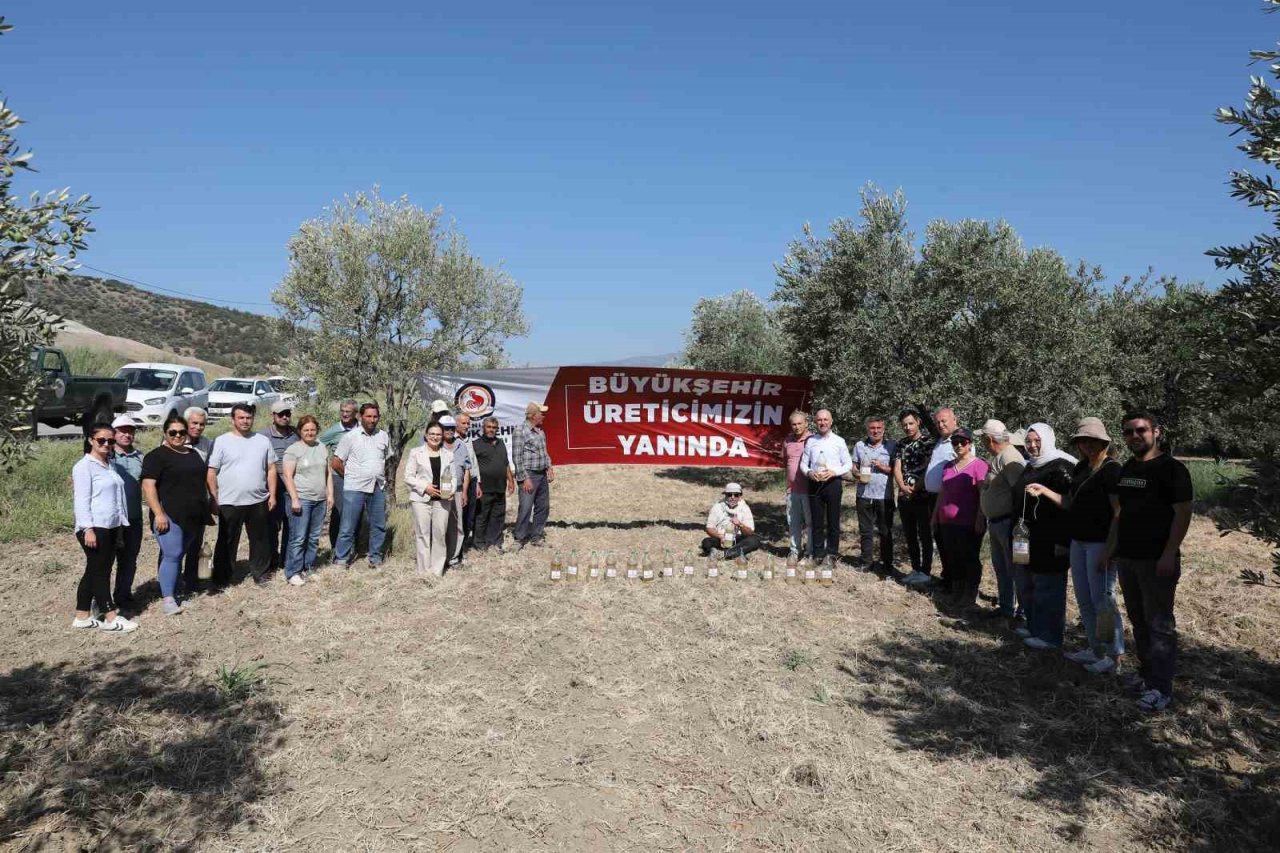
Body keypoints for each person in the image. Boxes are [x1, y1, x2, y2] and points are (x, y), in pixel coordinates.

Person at [1103, 410, 1192, 713]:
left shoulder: (1172, 469)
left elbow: (1183, 514)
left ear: (1157, 431)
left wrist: (1169, 553)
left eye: (1140, 430)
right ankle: (1147, 675)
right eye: (1128, 432)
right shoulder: (1128, 468)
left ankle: (1161, 688)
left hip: (1157, 560)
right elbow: (1121, 514)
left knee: (1160, 625)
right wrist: (1111, 548)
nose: (1134, 437)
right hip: (1128, 557)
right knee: (1139, 622)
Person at [1025, 417, 1124, 674]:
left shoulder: (1112, 470)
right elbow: (1069, 502)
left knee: (1103, 602)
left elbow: (1118, 513)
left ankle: (1114, 658)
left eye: (1093, 441)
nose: (1088, 446)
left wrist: (1109, 549)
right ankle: (1095, 649)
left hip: (1099, 544)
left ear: (1103, 442)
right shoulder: (1081, 468)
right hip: (1078, 543)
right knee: (1085, 600)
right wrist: (1044, 491)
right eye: (1083, 441)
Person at [1013, 422, 1077, 650]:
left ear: (1047, 440)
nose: (1032, 446)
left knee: (1047, 587)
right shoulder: (1030, 465)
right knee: (1026, 583)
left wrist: (1063, 541)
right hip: (1026, 536)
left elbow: (1071, 505)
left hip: (1051, 537)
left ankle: (1050, 636)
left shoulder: (1062, 466)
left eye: (1037, 441)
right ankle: (1034, 627)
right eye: (1029, 441)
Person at [71, 423, 139, 632]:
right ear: (91, 440)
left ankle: (82, 616)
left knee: (94, 570)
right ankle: (111, 616)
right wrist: (88, 528)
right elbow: (81, 500)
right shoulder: (84, 467)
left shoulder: (109, 464)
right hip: (94, 527)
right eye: (102, 440)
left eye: (110, 440)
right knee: (101, 572)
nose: (106, 444)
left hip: (111, 525)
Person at [141, 414, 209, 615]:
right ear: (165, 433)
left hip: (193, 515)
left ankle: (175, 592)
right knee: (172, 554)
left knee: (180, 554)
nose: (178, 435)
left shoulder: (192, 454)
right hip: (169, 515)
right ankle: (168, 600)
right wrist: (159, 514)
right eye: (173, 432)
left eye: (182, 432)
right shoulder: (156, 456)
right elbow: (148, 486)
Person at [207, 403, 276, 587]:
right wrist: (214, 498)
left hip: (258, 499)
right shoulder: (221, 441)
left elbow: (271, 469)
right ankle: (222, 578)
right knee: (226, 540)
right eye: (241, 418)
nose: (245, 421)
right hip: (230, 501)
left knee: (260, 540)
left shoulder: (262, 441)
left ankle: (260, 574)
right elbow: (211, 472)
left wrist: (273, 495)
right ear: (233, 419)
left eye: (248, 417)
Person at [976, 419, 1026, 619]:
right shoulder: (998, 457)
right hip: (997, 522)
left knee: (1015, 569)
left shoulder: (1010, 458)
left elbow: (1019, 492)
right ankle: (1006, 608)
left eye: (982, 439)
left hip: (1008, 523)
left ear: (989, 439)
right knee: (1002, 568)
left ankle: (1022, 611)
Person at [332, 402, 393, 568]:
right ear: (360, 416)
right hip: (355, 488)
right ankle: (341, 559)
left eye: (375, 416)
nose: (372, 420)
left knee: (379, 525)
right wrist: (351, 476)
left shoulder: (383, 436)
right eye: (368, 416)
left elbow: (387, 459)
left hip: (377, 486)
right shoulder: (350, 437)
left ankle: (375, 557)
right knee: (348, 526)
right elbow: (336, 462)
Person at [931, 428, 989, 603]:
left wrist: (980, 518)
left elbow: (982, 494)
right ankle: (956, 591)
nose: (958, 445)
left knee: (969, 557)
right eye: (955, 442)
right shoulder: (949, 466)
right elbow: (942, 493)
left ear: (970, 444)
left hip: (968, 522)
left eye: (962, 442)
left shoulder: (979, 465)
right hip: (946, 521)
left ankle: (969, 594)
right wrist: (935, 515)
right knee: (952, 557)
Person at [282, 415, 333, 585]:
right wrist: (295, 498)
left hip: (320, 500)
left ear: (316, 430)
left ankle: (308, 568)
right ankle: (293, 572)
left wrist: (330, 495)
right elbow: (288, 476)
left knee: (313, 537)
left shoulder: (322, 448)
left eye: (312, 430)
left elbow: (328, 474)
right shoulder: (293, 450)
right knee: (298, 537)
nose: (310, 433)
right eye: (306, 430)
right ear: (299, 431)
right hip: (302, 499)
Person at [799, 409, 852, 566]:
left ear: (831, 421)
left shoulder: (839, 441)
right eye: (819, 420)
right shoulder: (811, 441)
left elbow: (848, 463)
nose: (822, 423)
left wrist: (834, 472)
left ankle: (832, 554)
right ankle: (818, 554)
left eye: (825, 420)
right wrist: (809, 473)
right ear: (815, 422)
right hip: (815, 484)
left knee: (833, 521)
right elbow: (803, 463)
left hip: (833, 484)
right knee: (816, 522)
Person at [894, 407, 939, 586]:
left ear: (918, 422)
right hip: (904, 496)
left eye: (911, 423)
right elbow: (897, 467)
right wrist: (902, 486)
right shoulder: (901, 444)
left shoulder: (928, 442)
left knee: (925, 534)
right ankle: (915, 568)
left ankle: (925, 572)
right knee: (910, 533)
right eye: (904, 425)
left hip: (922, 495)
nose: (908, 427)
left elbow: (928, 467)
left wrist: (915, 487)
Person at [404, 422, 457, 576]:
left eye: (438, 434)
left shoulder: (448, 455)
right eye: (432, 434)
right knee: (423, 534)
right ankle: (423, 571)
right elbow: (408, 476)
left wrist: (450, 490)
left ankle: (436, 571)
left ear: (442, 437)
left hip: (442, 500)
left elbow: (453, 477)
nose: (435, 437)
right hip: (421, 499)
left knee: (440, 534)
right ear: (426, 435)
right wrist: (424, 486)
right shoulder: (416, 452)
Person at [109, 415, 144, 611]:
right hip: (111, 521)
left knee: (129, 560)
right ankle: (101, 600)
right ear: (114, 433)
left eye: (130, 430)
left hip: (133, 518)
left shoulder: (140, 457)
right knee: (105, 562)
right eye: (122, 430)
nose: (126, 434)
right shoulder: (106, 456)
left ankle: (123, 596)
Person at [853, 416, 896, 572]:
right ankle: (866, 562)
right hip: (864, 494)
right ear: (867, 429)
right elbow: (854, 466)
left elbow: (896, 470)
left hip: (885, 495)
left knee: (885, 531)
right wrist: (857, 474)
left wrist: (882, 466)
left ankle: (887, 564)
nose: (875, 431)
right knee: (866, 531)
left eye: (878, 428)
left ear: (883, 429)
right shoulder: (859, 445)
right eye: (872, 428)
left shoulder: (892, 446)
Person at [260, 401, 298, 572]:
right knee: (271, 527)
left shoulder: (296, 434)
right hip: (272, 489)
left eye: (287, 414)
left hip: (292, 488)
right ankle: (271, 561)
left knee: (291, 526)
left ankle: (286, 560)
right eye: (281, 414)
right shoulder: (263, 436)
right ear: (273, 416)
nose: (284, 417)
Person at [182, 406, 215, 593]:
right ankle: (169, 582)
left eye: (202, 424)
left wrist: (212, 498)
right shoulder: (174, 440)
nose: (198, 427)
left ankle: (191, 579)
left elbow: (210, 472)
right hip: (177, 502)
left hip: (199, 501)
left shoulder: (207, 444)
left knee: (195, 543)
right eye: (194, 423)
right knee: (175, 546)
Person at [513, 401, 554, 549]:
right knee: (525, 507)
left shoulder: (540, 431)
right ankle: (519, 538)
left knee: (543, 506)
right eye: (541, 413)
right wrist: (525, 478)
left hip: (541, 474)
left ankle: (537, 535)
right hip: (529, 475)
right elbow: (517, 458)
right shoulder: (520, 431)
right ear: (533, 415)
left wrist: (549, 466)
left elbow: (544, 452)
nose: (543, 416)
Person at [319, 399, 358, 550]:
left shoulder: (361, 429)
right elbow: (318, 445)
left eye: (348, 412)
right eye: (342, 411)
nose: (344, 414)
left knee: (356, 512)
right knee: (339, 513)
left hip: (358, 478)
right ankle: (336, 548)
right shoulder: (334, 431)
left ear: (355, 413)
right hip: (338, 477)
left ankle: (352, 546)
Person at [472, 416, 516, 551]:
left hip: (499, 486)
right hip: (484, 487)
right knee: (482, 516)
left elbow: (505, 463)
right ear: (483, 428)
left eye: (494, 428)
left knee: (498, 515)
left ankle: (495, 541)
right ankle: (479, 543)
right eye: (489, 427)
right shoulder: (476, 444)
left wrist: (510, 480)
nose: (491, 430)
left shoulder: (501, 442)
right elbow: (472, 467)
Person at [439, 415, 473, 566]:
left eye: (452, 428)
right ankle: (441, 557)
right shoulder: (436, 445)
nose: (450, 431)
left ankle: (454, 557)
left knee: (458, 525)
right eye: (446, 428)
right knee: (441, 525)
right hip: (440, 493)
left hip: (458, 491)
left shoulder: (461, 445)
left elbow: (466, 470)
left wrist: (465, 492)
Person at [700, 482, 761, 559]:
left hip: (737, 538)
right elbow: (709, 528)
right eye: (729, 494)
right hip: (721, 538)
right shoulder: (717, 506)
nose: (733, 497)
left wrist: (740, 524)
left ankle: (726, 554)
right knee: (706, 542)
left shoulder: (745, 508)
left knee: (754, 541)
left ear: (740, 496)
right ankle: (739, 552)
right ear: (725, 495)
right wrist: (720, 536)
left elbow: (749, 532)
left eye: (736, 495)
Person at [783, 410, 813, 560]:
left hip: (809, 490)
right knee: (793, 522)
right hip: (792, 489)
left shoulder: (813, 440)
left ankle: (809, 551)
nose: (796, 427)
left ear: (806, 424)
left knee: (810, 523)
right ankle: (795, 551)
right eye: (793, 424)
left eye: (800, 423)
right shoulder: (787, 440)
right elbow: (785, 463)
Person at [454, 412, 480, 551]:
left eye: (468, 423)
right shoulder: (452, 440)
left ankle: (465, 543)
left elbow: (474, 462)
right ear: (456, 424)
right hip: (460, 483)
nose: (467, 426)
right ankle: (459, 546)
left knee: (471, 514)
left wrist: (478, 482)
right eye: (464, 423)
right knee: (460, 514)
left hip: (473, 481)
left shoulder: (469, 439)